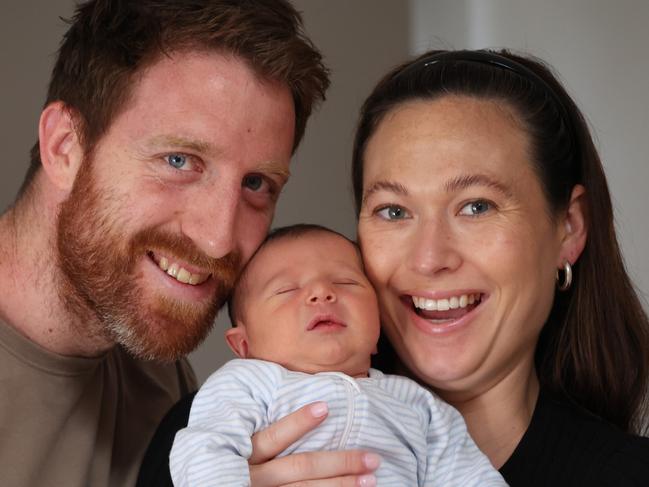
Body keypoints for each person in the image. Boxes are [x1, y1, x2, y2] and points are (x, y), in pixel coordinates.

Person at [140, 49, 649, 487]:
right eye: (394, 212)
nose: (430, 258)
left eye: (477, 206)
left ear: (569, 228)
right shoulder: (204, 435)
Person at [0, 1, 329, 486]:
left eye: (256, 184)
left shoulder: (162, 382)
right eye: (179, 160)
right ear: (65, 148)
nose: (218, 239)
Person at [168, 224, 507, 486]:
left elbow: (469, 475)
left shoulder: (417, 405)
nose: (321, 293)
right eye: (287, 290)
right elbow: (203, 449)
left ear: (377, 329)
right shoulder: (248, 385)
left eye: (345, 282)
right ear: (244, 346)